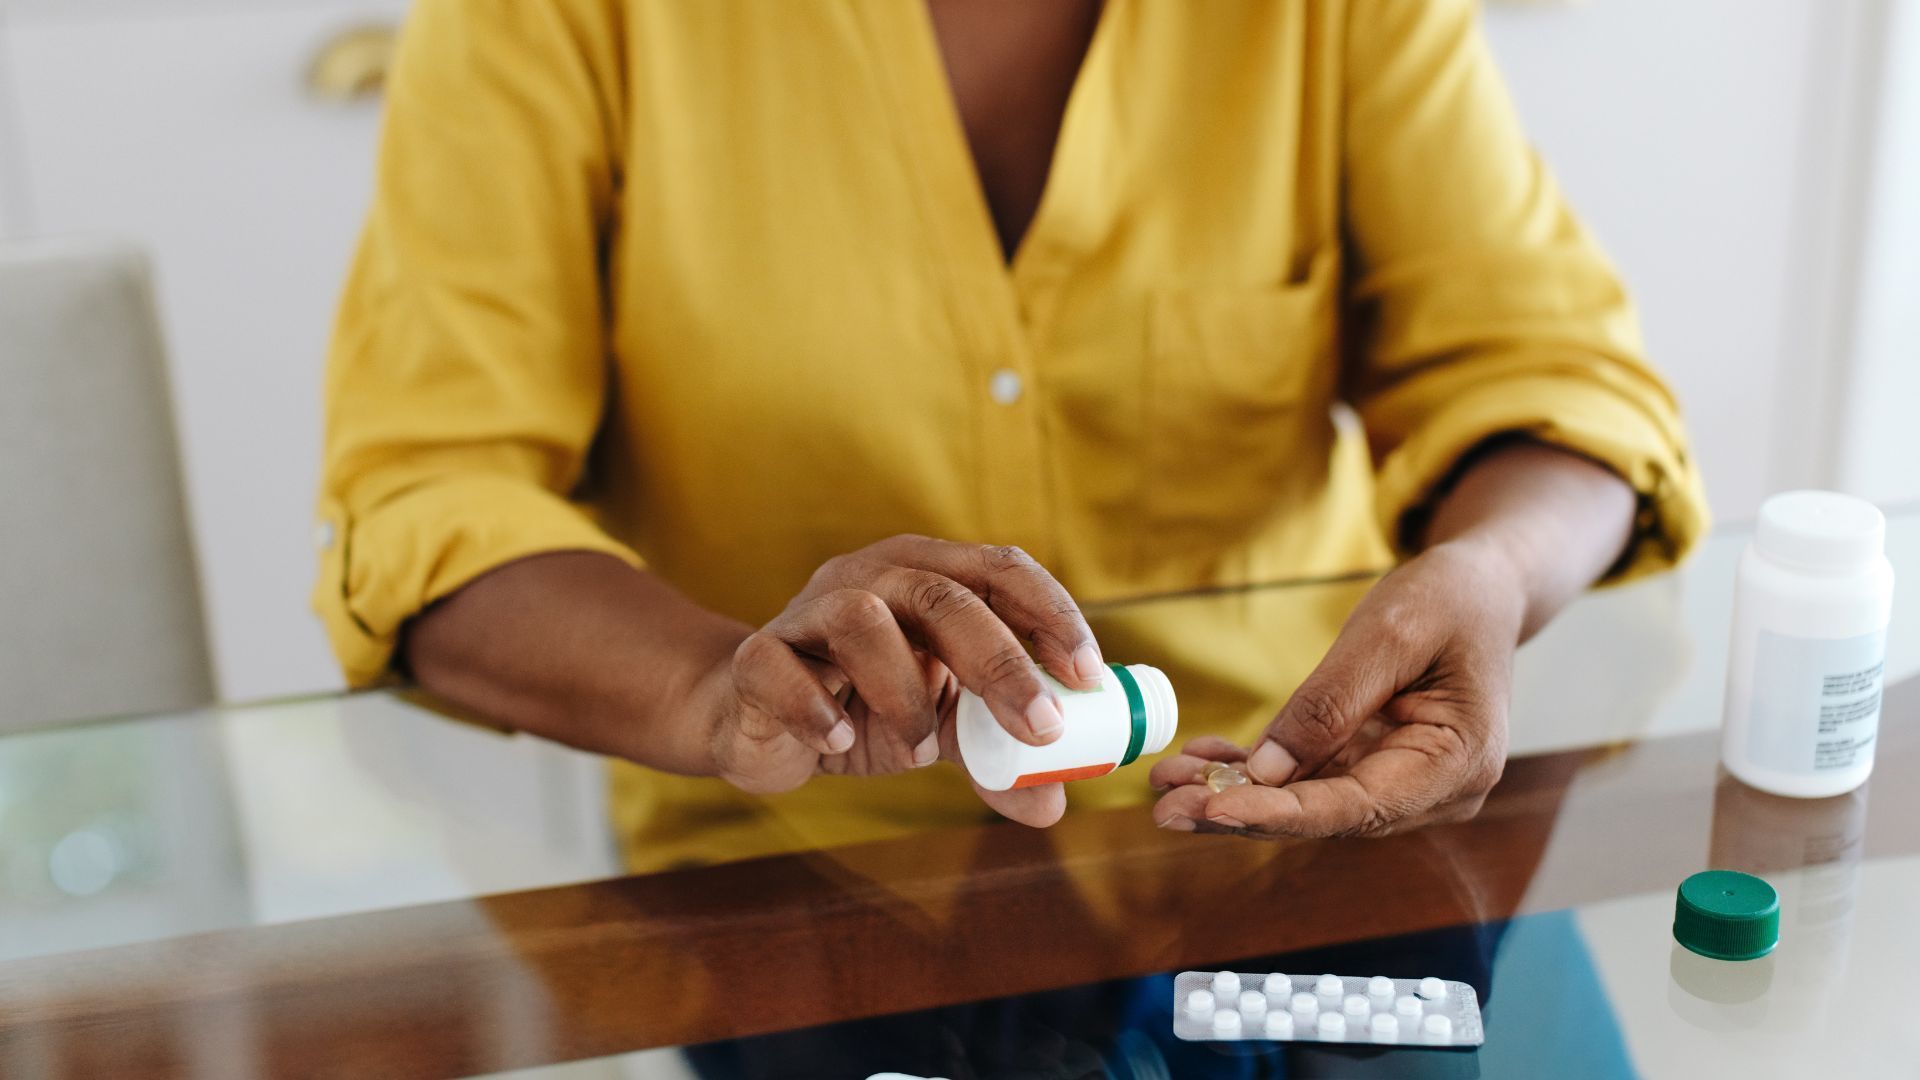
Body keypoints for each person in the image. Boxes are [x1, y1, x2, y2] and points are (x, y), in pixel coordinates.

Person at [314, 0, 1707, 871]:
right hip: (796, 881)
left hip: (1287, 818)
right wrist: (713, 693)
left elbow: (1554, 379)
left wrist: (1492, 575)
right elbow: (429, 496)